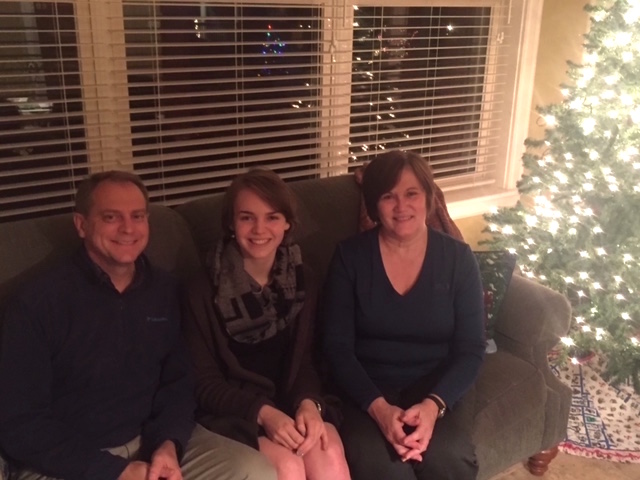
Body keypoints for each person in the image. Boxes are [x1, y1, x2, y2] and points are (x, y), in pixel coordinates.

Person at [0, 171, 276, 480]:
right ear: (81, 225)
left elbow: (179, 382)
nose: (128, 228)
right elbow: (19, 421)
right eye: (111, 217)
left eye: (137, 216)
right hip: (69, 458)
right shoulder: (38, 303)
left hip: (152, 442)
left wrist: (168, 444)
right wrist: (113, 471)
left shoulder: (165, 290)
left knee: (255, 471)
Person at [322, 150, 486, 480]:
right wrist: (380, 410)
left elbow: (471, 349)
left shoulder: (458, 258)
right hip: (365, 391)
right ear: (373, 204)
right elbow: (336, 348)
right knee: (385, 470)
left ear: (428, 198)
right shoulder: (349, 258)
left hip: (435, 386)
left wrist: (432, 407)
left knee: (450, 459)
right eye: (388, 196)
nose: (401, 207)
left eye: (412, 193)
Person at [181, 169, 351, 480]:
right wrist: (264, 413)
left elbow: (308, 363)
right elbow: (204, 383)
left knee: (329, 455)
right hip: (234, 413)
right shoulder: (202, 289)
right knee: (287, 467)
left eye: (272, 217)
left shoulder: (304, 280)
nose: (260, 228)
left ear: (287, 223)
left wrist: (309, 404)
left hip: (290, 403)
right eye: (247, 217)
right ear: (231, 224)